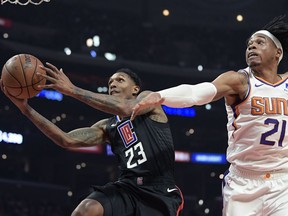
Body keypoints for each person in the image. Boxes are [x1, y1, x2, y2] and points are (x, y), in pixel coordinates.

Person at [131, 15, 288, 216]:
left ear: (278, 53)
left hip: (283, 181)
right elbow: (197, 93)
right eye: (249, 44)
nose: (251, 46)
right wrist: (161, 96)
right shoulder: (239, 80)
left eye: (259, 42)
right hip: (244, 182)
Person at [0, 67, 184, 216]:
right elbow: (66, 139)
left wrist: (72, 90)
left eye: (120, 80)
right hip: (127, 187)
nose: (112, 84)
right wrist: (25, 109)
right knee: (86, 210)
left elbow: (126, 108)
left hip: (159, 190)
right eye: (110, 81)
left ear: (135, 89)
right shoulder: (107, 126)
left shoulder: (148, 100)